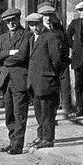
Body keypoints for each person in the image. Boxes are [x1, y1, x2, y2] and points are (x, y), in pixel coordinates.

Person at [0, 8, 31, 155]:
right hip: (6, 79)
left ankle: (18, 144)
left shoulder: (26, 35)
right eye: (8, 21)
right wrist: (8, 53)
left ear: (19, 19)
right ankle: (11, 141)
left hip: (20, 78)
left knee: (19, 112)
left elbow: (21, 56)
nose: (11, 23)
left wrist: (5, 59)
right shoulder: (3, 37)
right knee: (9, 113)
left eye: (13, 20)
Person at [28, 13, 66, 149]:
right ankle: (41, 136)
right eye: (31, 25)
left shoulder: (50, 37)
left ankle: (48, 138)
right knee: (39, 112)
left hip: (47, 80)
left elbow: (57, 59)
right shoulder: (32, 38)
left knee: (48, 112)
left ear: (41, 24)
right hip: (35, 82)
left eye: (37, 24)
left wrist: (51, 74)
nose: (35, 28)